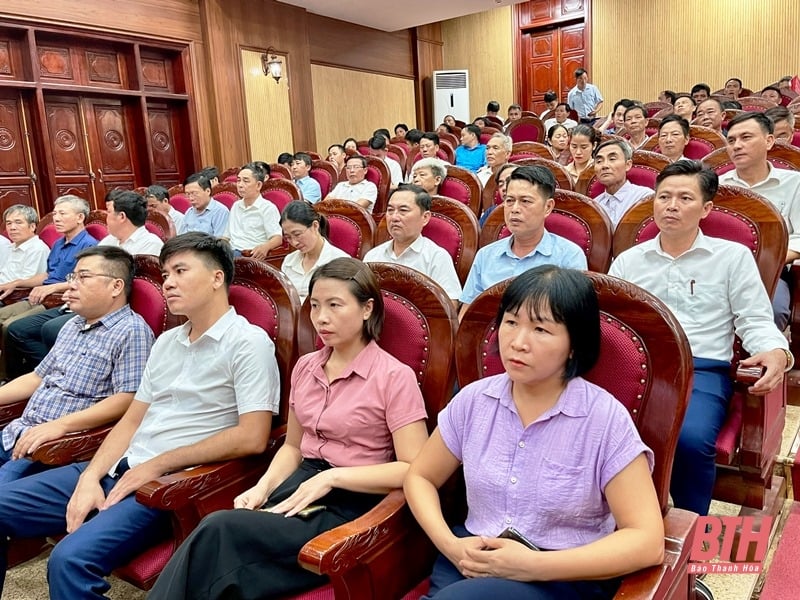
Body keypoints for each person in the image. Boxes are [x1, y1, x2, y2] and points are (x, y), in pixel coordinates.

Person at [0, 232, 280, 599]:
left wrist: (155, 465)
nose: (169, 282)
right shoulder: (167, 342)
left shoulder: (248, 343)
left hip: (166, 485)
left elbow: (253, 436)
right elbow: (132, 419)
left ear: (216, 278)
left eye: (180, 271)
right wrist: (91, 475)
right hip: (119, 468)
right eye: (165, 273)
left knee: (67, 561)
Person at [148, 257, 429, 599]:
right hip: (299, 487)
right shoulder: (307, 366)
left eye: (335, 305)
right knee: (220, 558)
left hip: (352, 500)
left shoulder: (393, 377)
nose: (321, 317)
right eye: (315, 305)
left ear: (367, 308)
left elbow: (414, 469)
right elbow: (293, 447)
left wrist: (331, 477)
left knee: (218, 531)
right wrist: (263, 488)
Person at [405, 265, 663, 599]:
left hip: (561, 577)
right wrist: (450, 545)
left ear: (574, 344)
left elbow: (647, 540)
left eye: (540, 329)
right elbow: (420, 477)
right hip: (469, 562)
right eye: (511, 323)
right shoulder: (475, 400)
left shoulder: (603, 418)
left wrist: (531, 566)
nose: (518, 342)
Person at [609, 160, 792, 516]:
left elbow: (754, 318)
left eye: (684, 198)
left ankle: (691, 537)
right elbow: (612, 325)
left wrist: (775, 351)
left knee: (690, 440)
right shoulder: (628, 262)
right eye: (663, 197)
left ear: (706, 208)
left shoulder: (732, 257)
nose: (671, 205)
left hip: (702, 371)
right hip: (635, 371)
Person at [0, 246, 153, 484]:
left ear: (116, 286)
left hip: (52, 445)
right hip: (17, 431)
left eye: (83, 277)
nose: (71, 285)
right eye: (73, 277)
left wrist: (60, 426)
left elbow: (128, 398)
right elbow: (37, 377)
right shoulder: (73, 324)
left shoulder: (131, 331)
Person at [459, 166, 587, 319]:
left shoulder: (569, 256)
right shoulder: (485, 255)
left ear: (548, 207)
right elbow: (468, 314)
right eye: (509, 200)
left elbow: (575, 320)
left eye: (525, 201)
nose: (514, 209)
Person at [0, 195, 98, 381]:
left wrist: (51, 288)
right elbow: (47, 274)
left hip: (59, 299)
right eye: (55, 214)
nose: (56, 218)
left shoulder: (89, 245)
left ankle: (38, 374)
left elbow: (83, 279)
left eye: (62, 213)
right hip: (42, 294)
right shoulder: (58, 244)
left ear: (80, 217)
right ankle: (11, 377)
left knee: (11, 327)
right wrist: (17, 282)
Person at [718, 111, 800, 330]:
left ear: (769, 141)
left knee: (771, 312)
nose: (736, 146)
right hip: (718, 270)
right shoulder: (717, 187)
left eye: (746, 138)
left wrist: (765, 260)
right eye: (731, 140)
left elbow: (799, 237)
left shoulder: (794, 183)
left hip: (769, 270)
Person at [364, 185, 462, 306]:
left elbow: (450, 304)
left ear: (425, 217)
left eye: (403, 210)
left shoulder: (436, 257)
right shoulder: (373, 255)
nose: (394, 217)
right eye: (390, 210)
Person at [279, 201, 348, 302]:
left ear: (315, 226)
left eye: (297, 234)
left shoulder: (340, 262)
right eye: (288, 237)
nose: (294, 243)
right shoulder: (289, 261)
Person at [224, 162, 282, 259]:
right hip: (230, 252)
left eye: (246, 181)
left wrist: (265, 247)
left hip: (249, 255)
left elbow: (277, 238)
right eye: (238, 181)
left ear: (258, 185)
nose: (240, 185)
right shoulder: (236, 206)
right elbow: (227, 236)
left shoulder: (267, 208)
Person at [592, 140, 653, 229]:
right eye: (599, 161)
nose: (604, 165)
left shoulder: (645, 198)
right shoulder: (594, 205)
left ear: (628, 165)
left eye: (612, 159)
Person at [100, 190, 164, 255]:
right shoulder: (109, 240)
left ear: (122, 216)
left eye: (109, 212)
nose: (106, 217)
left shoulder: (151, 244)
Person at [0, 205, 50, 287]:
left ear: (32, 227)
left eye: (18, 222)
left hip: (14, 296)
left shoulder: (37, 249)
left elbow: (25, 285)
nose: (12, 228)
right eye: (9, 223)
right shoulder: (10, 247)